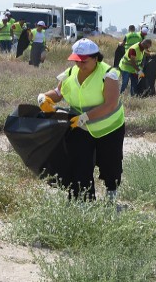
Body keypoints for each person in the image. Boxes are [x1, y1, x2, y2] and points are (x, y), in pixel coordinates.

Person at [37, 38, 125, 201]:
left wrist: (85, 117)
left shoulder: (108, 74)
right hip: (80, 127)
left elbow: (111, 104)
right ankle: (84, 199)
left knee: (109, 162)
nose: (79, 65)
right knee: (80, 162)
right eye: (76, 61)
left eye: (83, 61)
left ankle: (111, 191)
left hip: (109, 128)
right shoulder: (70, 74)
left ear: (95, 58)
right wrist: (42, 98)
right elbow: (57, 94)